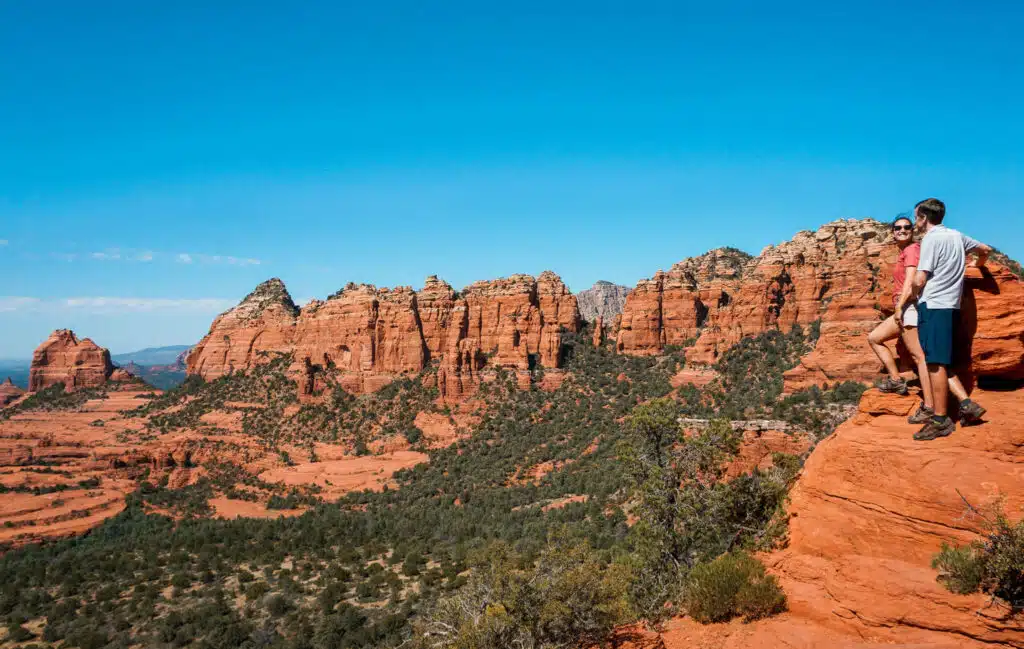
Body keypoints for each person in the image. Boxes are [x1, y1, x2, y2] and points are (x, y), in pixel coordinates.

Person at [867, 216, 980, 426]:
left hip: (910, 307)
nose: (902, 230)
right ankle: (896, 380)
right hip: (906, 307)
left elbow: (911, 281)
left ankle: (931, 406)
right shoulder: (907, 251)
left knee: (922, 358)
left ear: (913, 230)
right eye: (898, 228)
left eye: (907, 227)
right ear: (892, 232)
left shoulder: (912, 250)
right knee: (875, 338)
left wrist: (900, 307)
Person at [909, 198, 991, 441]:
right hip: (952, 307)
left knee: (934, 363)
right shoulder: (957, 236)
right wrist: (978, 265)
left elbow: (921, 278)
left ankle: (940, 419)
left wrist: (912, 292)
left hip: (933, 305)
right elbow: (985, 249)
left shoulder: (931, 239)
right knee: (943, 361)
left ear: (924, 218)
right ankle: (967, 404)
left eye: (917, 217)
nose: (916, 222)